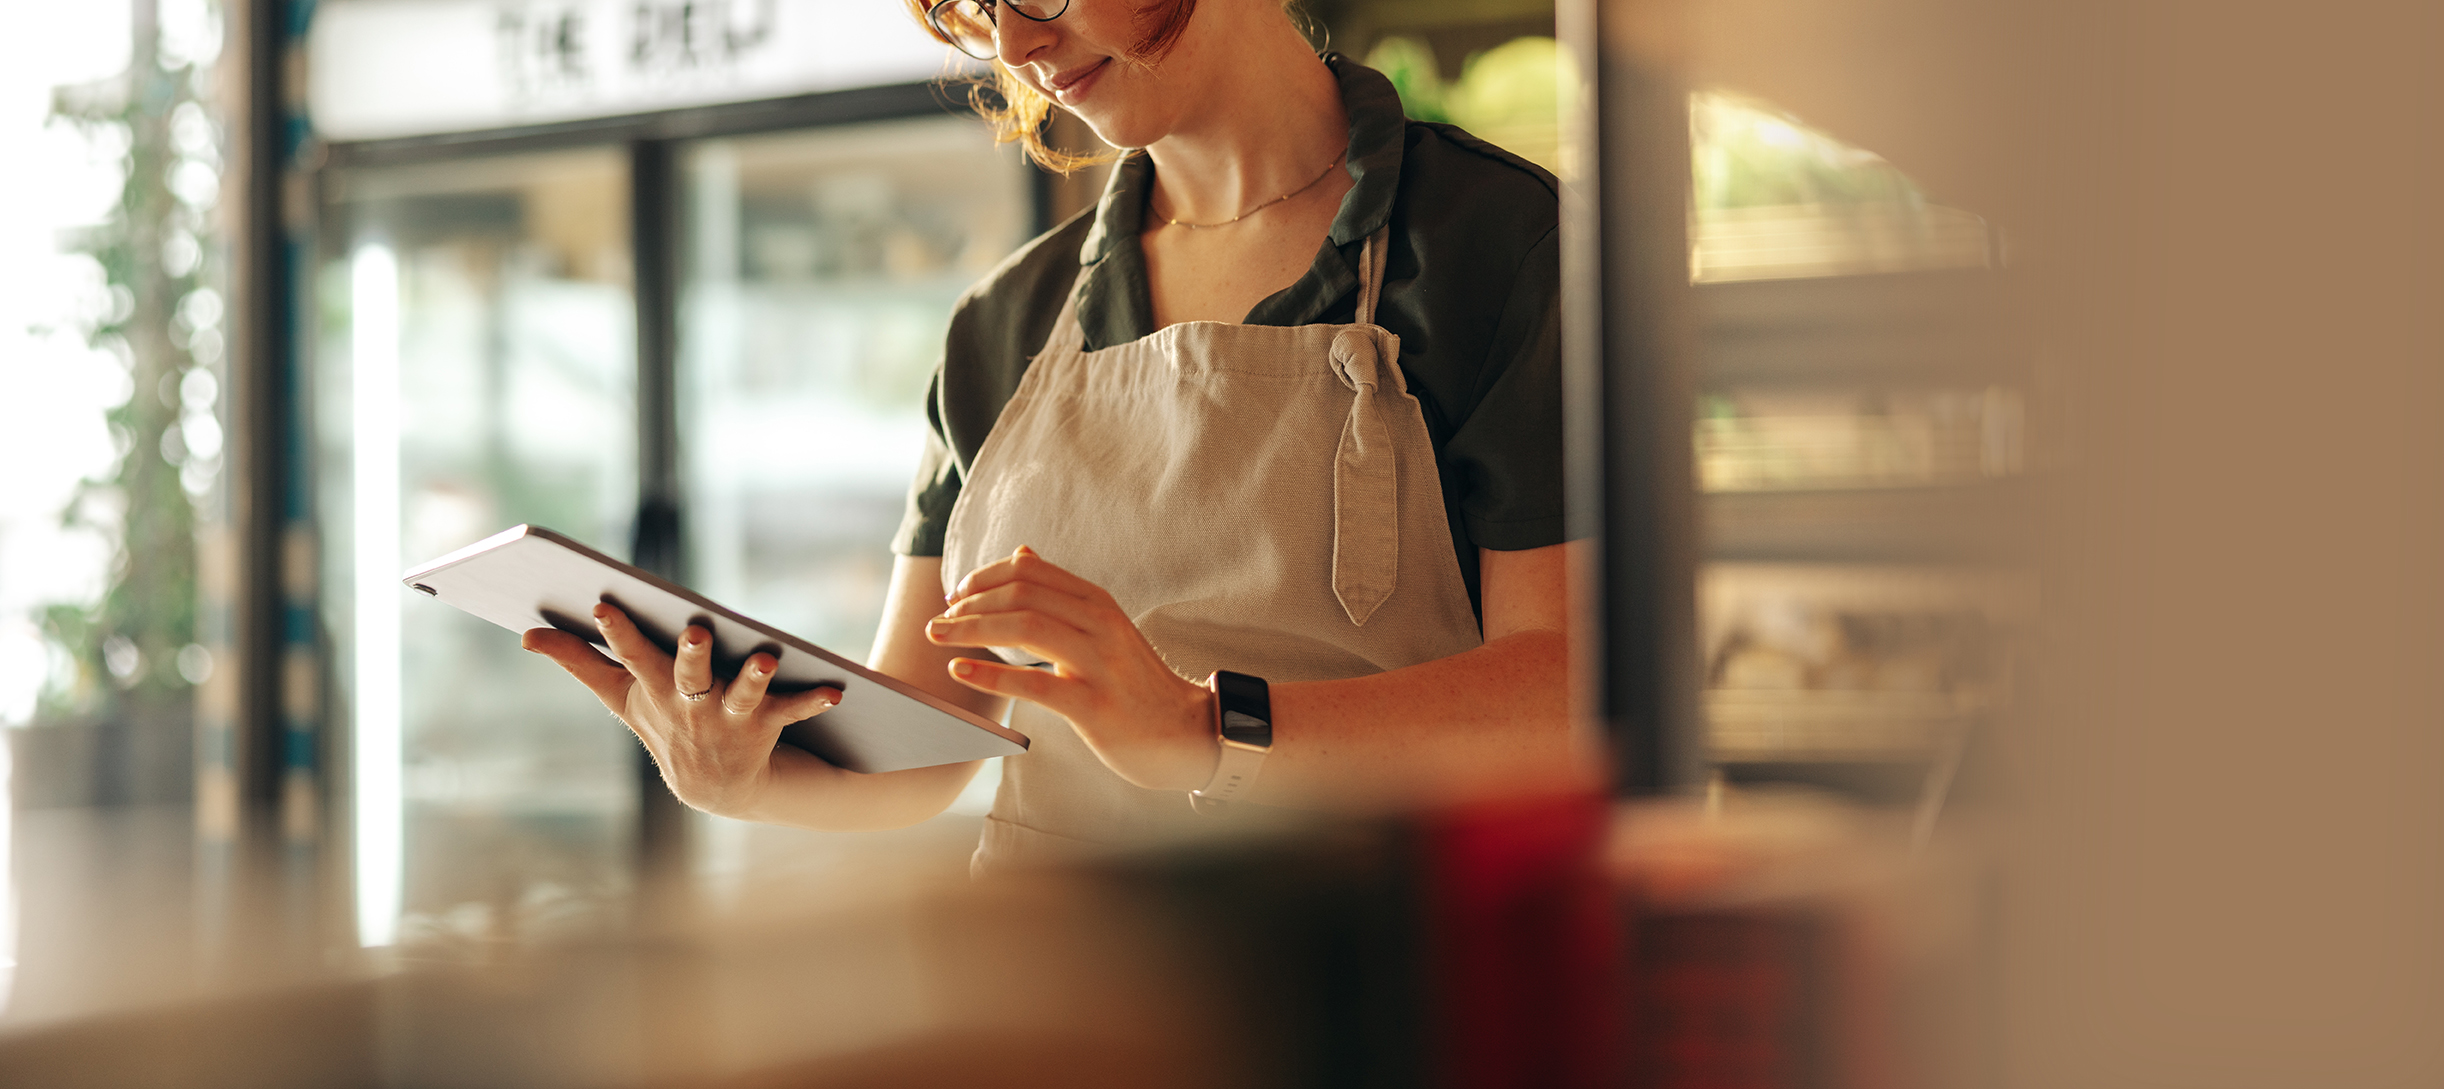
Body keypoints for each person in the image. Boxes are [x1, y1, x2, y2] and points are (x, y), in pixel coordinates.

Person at [525, 0, 1586, 871]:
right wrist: (743, 773)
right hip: (1052, 1001)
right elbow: (924, 749)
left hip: (1363, 988)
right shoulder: (1004, 322)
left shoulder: (1498, 247)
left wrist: (1202, 730)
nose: (1015, 47)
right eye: (969, 11)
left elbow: (1563, 690)